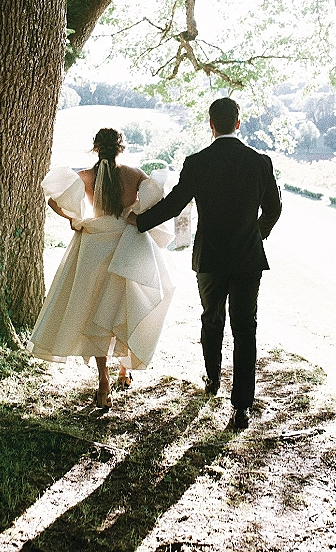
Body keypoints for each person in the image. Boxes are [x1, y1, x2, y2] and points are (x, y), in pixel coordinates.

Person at [129, 98, 281, 430]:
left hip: (210, 257)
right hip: (247, 259)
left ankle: (212, 380)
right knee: (245, 329)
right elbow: (274, 209)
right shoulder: (260, 161)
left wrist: (139, 221)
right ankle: (242, 406)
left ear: (211, 124)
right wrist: (256, 235)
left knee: (212, 320)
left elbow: (173, 204)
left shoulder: (197, 162)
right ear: (238, 124)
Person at [28, 128, 174, 409]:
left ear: (95, 148)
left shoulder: (85, 176)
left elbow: (53, 200)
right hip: (127, 245)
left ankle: (104, 381)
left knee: (97, 313)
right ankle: (124, 369)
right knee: (123, 307)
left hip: (95, 247)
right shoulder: (135, 175)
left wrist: (74, 218)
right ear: (122, 148)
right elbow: (155, 196)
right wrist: (135, 214)